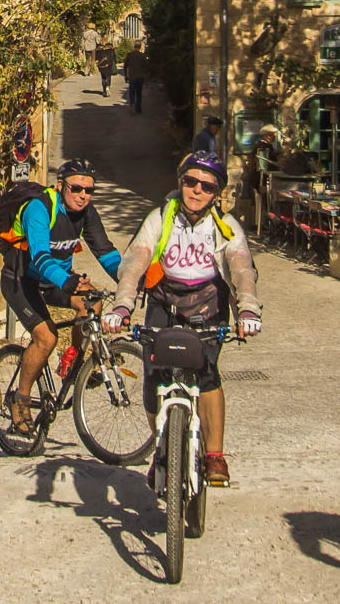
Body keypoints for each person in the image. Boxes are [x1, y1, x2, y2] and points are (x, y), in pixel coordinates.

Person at [103, 153, 262, 487]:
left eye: (207, 186)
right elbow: (135, 262)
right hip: (164, 304)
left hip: (207, 305)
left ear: (217, 193)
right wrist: (122, 306)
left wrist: (247, 310)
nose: (196, 191)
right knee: (152, 380)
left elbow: (241, 268)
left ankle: (214, 455)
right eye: (190, 182)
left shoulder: (225, 227)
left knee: (207, 376)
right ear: (180, 183)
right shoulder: (161, 218)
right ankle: (162, 449)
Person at [0, 159, 122, 436]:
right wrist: (68, 281)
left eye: (89, 191)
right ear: (60, 185)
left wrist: (129, 283)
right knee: (47, 337)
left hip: (55, 280)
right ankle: (20, 400)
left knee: (93, 302)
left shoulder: (87, 213)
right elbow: (41, 257)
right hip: (21, 280)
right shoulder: (39, 209)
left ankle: (71, 364)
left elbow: (107, 254)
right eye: (76, 188)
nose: (83, 195)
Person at [123, 42, 149, 114]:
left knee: (132, 92)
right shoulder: (143, 56)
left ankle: (132, 104)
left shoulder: (129, 55)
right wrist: (146, 79)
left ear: (134, 46)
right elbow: (146, 68)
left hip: (132, 77)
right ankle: (138, 108)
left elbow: (125, 66)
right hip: (140, 77)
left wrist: (126, 76)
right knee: (138, 93)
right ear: (140, 47)